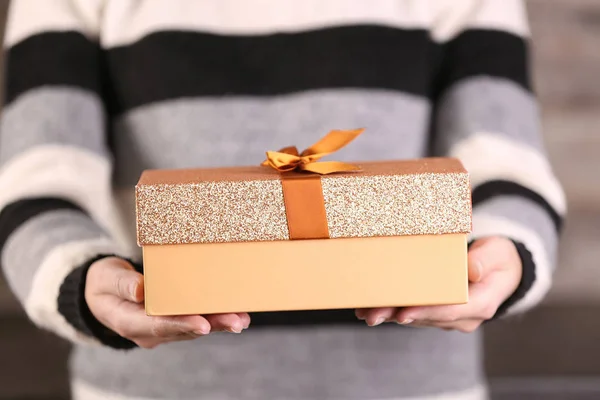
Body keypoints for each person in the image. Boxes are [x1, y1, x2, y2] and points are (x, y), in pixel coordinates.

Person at [0, 0, 565, 399]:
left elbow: (505, 170)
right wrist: (82, 282)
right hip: (155, 388)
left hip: (413, 387)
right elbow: (38, 186)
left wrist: (507, 257)